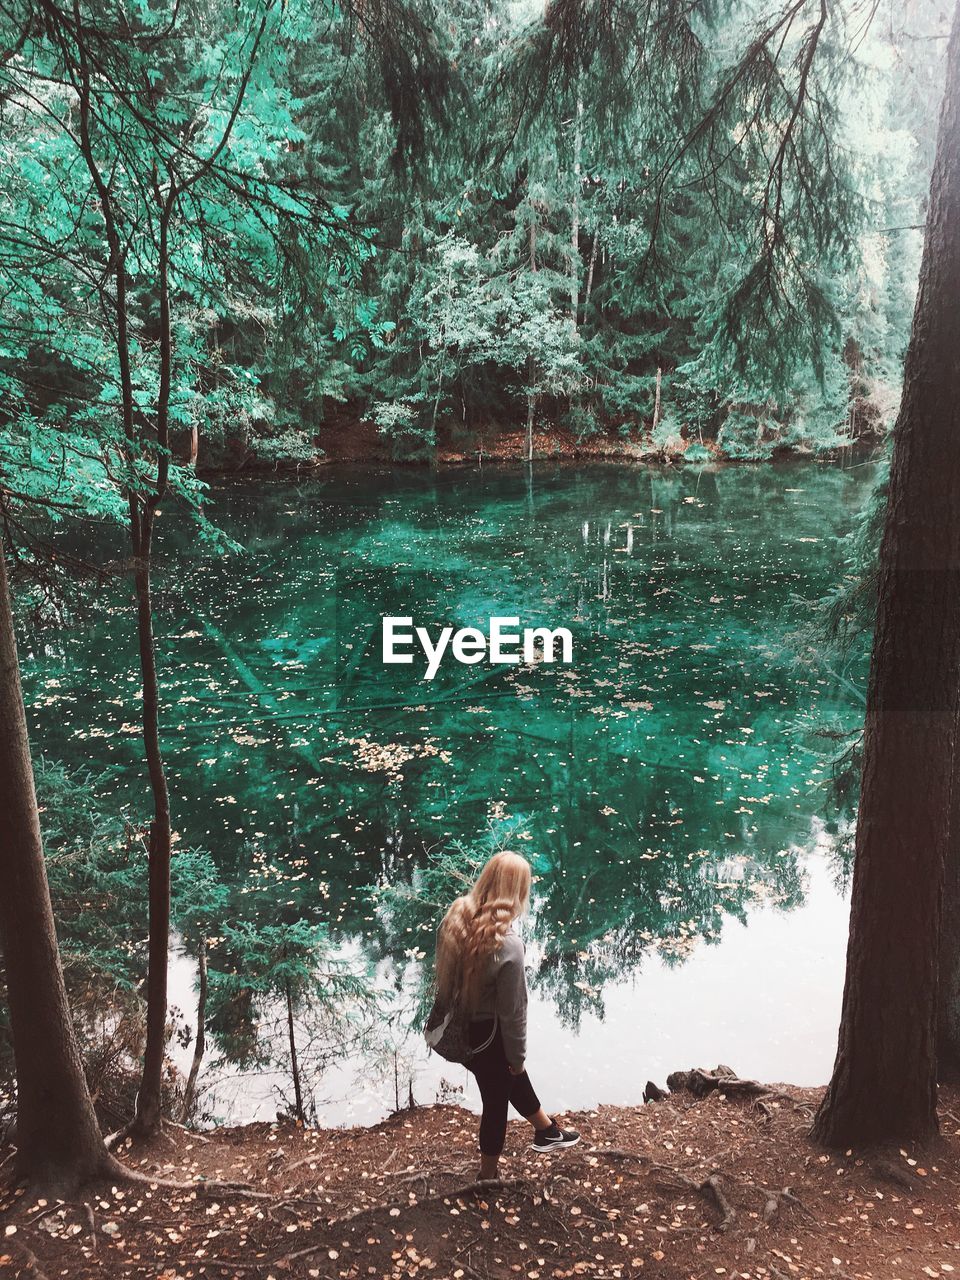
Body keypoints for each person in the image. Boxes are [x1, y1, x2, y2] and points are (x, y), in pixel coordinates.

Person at [434, 850, 580, 1180]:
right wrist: (518, 1055)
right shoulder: (508, 944)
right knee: (497, 1099)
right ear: (517, 891)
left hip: (462, 1030)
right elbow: (514, 1012)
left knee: (505, 1080)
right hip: (489, 1036)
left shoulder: (457, 919)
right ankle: (487, 1177)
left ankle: (546, 1131)